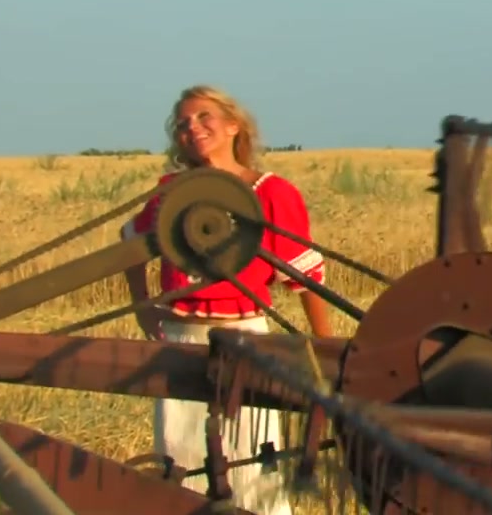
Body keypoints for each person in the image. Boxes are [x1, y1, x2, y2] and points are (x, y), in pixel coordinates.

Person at [120, 84, 336, 515]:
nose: (193, 128)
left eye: (204, 117)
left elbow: (306, 277)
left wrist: (326, 350)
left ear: (234, 126)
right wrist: (143, 306)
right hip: (181, 340)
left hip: (246, 338)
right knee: (180, 462)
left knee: (253, 465)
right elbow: (128, 243)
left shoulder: (272, 192)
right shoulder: (171, 192)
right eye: (183, 123)